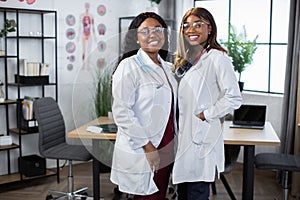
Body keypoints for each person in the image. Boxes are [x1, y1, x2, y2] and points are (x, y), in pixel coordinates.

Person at [172, 7, 242, 200]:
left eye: (198, 25)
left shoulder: (218, 59)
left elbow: (234, 98)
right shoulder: (185, 60)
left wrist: (206, 114)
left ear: (209, 28)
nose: (191, 30)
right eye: (186, 26)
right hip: (183, 138)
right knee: (183, 194)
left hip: (202, 139)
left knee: (196, 192)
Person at [110, 12, 178, 200]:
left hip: (167, 144)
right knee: (147, 196)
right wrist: (148, 146)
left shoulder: (168, 68)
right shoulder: (129, 66)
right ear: (136, 38)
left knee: (159, 194)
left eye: (158, 29)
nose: (153, 34)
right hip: (146, 146)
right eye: (145, 31)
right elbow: (122, 112)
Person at [78, 2, 96, 69]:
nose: (87, 8)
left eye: (88, 6)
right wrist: (78, 36)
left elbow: (93, 27)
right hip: (83, 34)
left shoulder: (91, 16)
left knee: (89, 50)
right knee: (84, 50)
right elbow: (80, 27)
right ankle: (83, 64)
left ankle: (88, 65)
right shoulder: (82, 15)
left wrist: (95, 36)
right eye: (86, 6)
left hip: (89, 34)